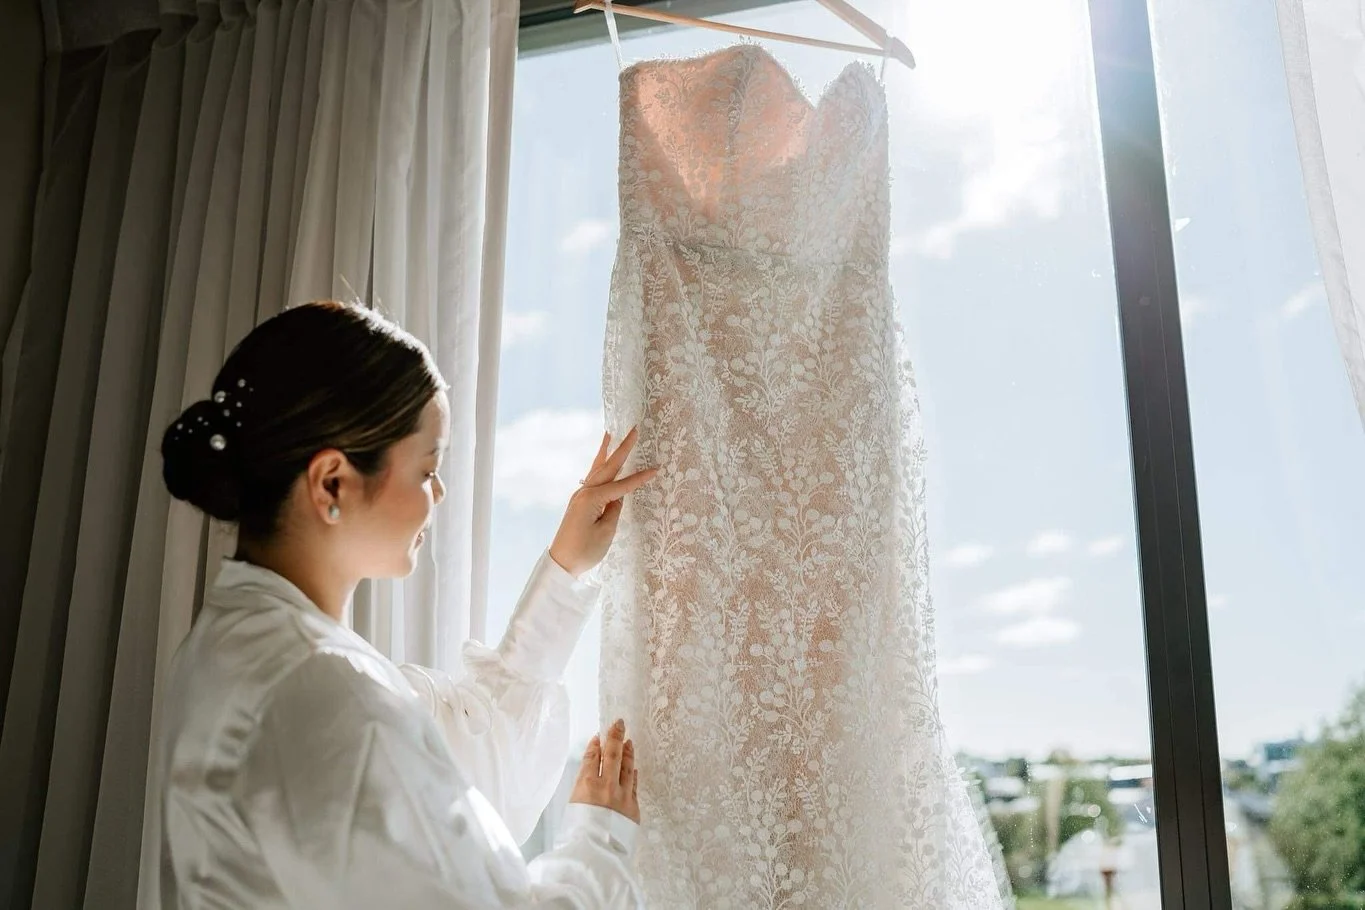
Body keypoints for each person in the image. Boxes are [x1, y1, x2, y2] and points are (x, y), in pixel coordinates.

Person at [153, 300, 656, 908]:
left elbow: (466, 755)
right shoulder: (325, 694)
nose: (439, 493)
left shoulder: (232, 646)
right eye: (426, 470)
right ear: (332, 483)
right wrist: (600, 842)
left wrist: (563, 570)